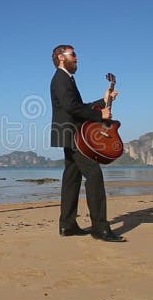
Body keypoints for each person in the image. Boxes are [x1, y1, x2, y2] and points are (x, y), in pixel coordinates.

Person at [49, 45, 125, 242]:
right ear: (61, 57)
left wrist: (103, 99)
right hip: (74, 135)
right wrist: (100, 114)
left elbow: (77, 106)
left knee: (71, 179)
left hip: (71, 135)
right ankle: (100, 228)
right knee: (94, 175)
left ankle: (68, 225)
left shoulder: (65, 78)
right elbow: (71, 106)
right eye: (73, 54)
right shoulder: (61, 78)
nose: (77, 58)